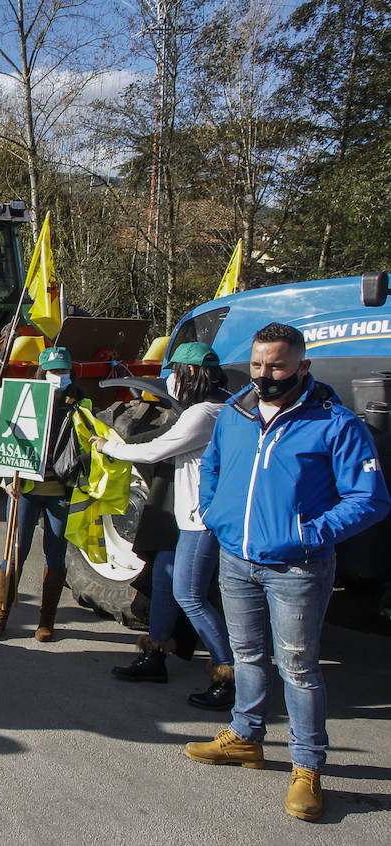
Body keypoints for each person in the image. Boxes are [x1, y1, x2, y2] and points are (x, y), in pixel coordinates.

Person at [182, 323, 390, 822]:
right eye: (257, 365)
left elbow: (370, 500)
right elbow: (212, 466)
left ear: (303, 365)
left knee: (298, 667)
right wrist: (215, 513)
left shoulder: (335, 423)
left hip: (296, 568)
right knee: (247, 654)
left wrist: (307, 535)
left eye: (276, 365)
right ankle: (246, 736)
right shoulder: (236, 413)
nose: (264, 375)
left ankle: (307, 765)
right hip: (236, 558)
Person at [96, 342, 236, 709]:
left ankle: (230, 672)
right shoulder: (225, 404)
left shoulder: (204, 414)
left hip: (199, 520)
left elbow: (154, 450)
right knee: (162, 580)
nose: (170, 379)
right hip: (185, 514)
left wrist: (109, 446)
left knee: (189, 595)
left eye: (174, 371)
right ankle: (155, 655)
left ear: (188, 373)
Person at [0, 346, 89, 642]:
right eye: (54, 372)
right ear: (42, 372)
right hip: (26, 490)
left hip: (61, 491)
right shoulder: (23, 397)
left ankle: (47, 621)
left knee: (56, 556)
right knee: (14, 553)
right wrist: (7, 479)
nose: (59, 377)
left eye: (64, 371)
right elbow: (7, 438)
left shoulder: (81, 402)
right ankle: (0, 615)